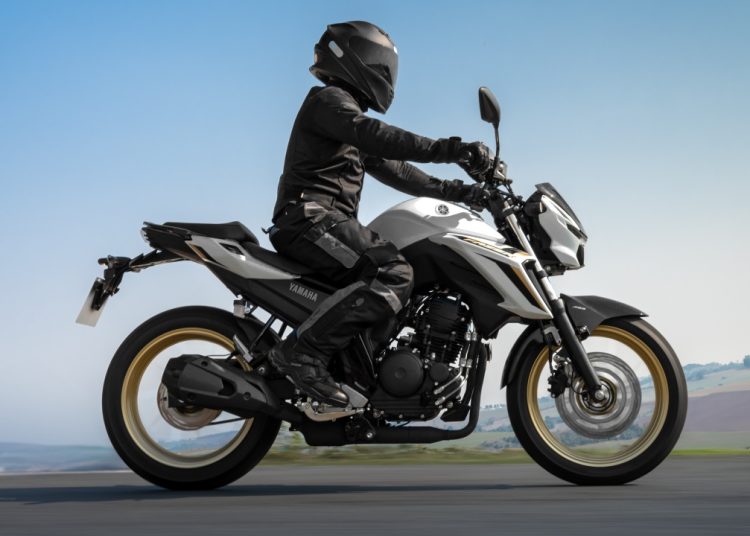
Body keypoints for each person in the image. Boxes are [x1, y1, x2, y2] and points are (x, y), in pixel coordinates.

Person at [268, 21, 493, 407]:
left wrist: (463, 192)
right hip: (310, 220)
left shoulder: (345, 121)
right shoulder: (330, 102)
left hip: (325, 222)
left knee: (403, 276)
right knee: (394, 272)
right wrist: (452, 150)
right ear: (360, 59)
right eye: (382, 65)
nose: (387, 75)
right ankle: (302, 353)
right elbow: (377, 136)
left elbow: (400, 171)